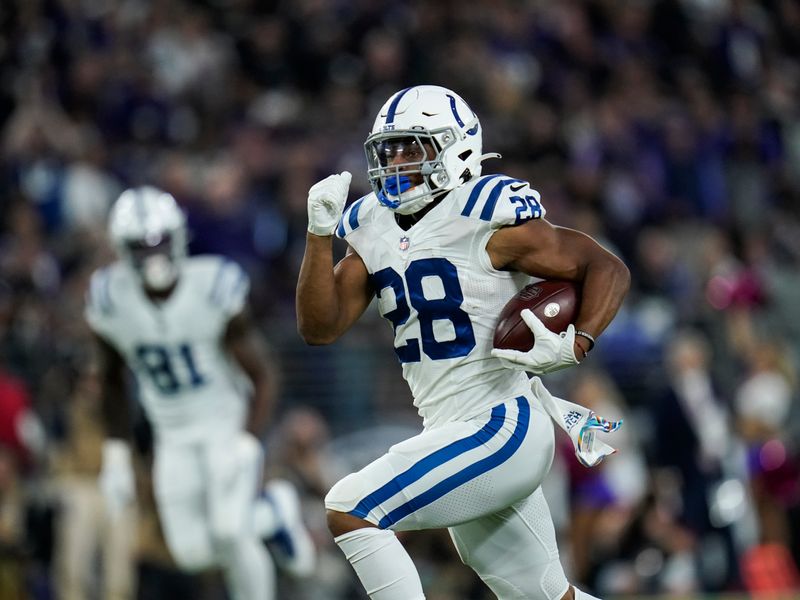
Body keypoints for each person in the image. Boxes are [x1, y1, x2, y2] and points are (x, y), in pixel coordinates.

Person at [296, 85, 630, 600]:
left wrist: (578, 343)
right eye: (390, 150)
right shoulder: (372, 225)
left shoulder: (483, 213)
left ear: (456, 149)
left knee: (352, 505)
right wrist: (319, 235)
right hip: (455, 430)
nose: (397, 162)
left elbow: (605, 267)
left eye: (413, 148)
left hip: (502, 423)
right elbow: (320, 327)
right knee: (545, 596)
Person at [84, 186, 315, 600]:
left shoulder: (212, 285)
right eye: (141, 247)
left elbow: (263, 373)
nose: (153, 256)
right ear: (122, 250)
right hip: (170, 432)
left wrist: (247, 440)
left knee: (229, 529)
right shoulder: (110, 299)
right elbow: (113, 379)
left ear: (178, 238)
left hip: (223, 420)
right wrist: (116, 455)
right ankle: (272, 513)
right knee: (190, 552)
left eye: (160, 243)